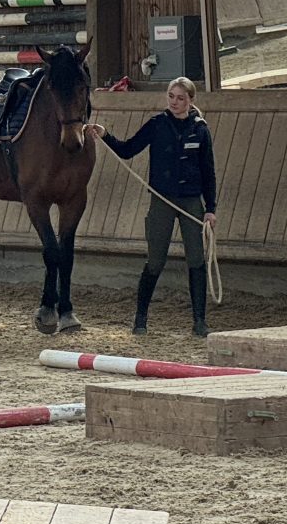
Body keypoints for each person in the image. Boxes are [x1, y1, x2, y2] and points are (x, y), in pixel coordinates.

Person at [89, 77, 217, 337]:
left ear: (190, 100)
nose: (175, 102)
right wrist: (105, 136)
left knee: (196, 259)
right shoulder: (157, 124)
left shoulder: (200, 129)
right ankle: (140, 317)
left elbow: (208, 172)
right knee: (155, 260)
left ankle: (199, 320)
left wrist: (210, 208)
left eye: (180, 98)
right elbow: (128, 150)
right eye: (171, 96)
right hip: (162, 200)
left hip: (191, 201)